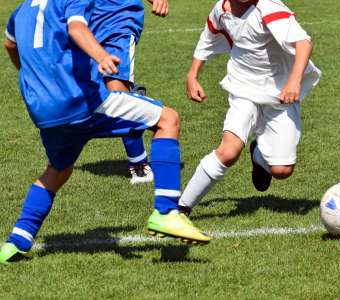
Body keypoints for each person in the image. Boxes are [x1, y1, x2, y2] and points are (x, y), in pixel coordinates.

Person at [0, 0, 209, 264]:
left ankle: (16, 242)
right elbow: (77, 28)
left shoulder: (20, 10)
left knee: (58, 170)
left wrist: (33, 78)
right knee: (168, 119)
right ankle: (166, 212)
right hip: (82, 103)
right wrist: (101, 56)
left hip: (44, 111)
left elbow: (10, 44)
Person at [178, 0, 322, 215]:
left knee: (282, 171)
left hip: (279, 94)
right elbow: (208, 37)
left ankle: (259, 155)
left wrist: (294, 80)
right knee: (228, 151)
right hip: (242, 89)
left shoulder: (269, 7)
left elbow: (303, 42)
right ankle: (180, 208)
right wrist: (192, 75)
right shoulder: (222, 9)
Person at [90, 0, 170, 184]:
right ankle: (136, 99)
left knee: (118, 94)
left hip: (118, 22)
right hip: (86, 25)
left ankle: (139, 166)